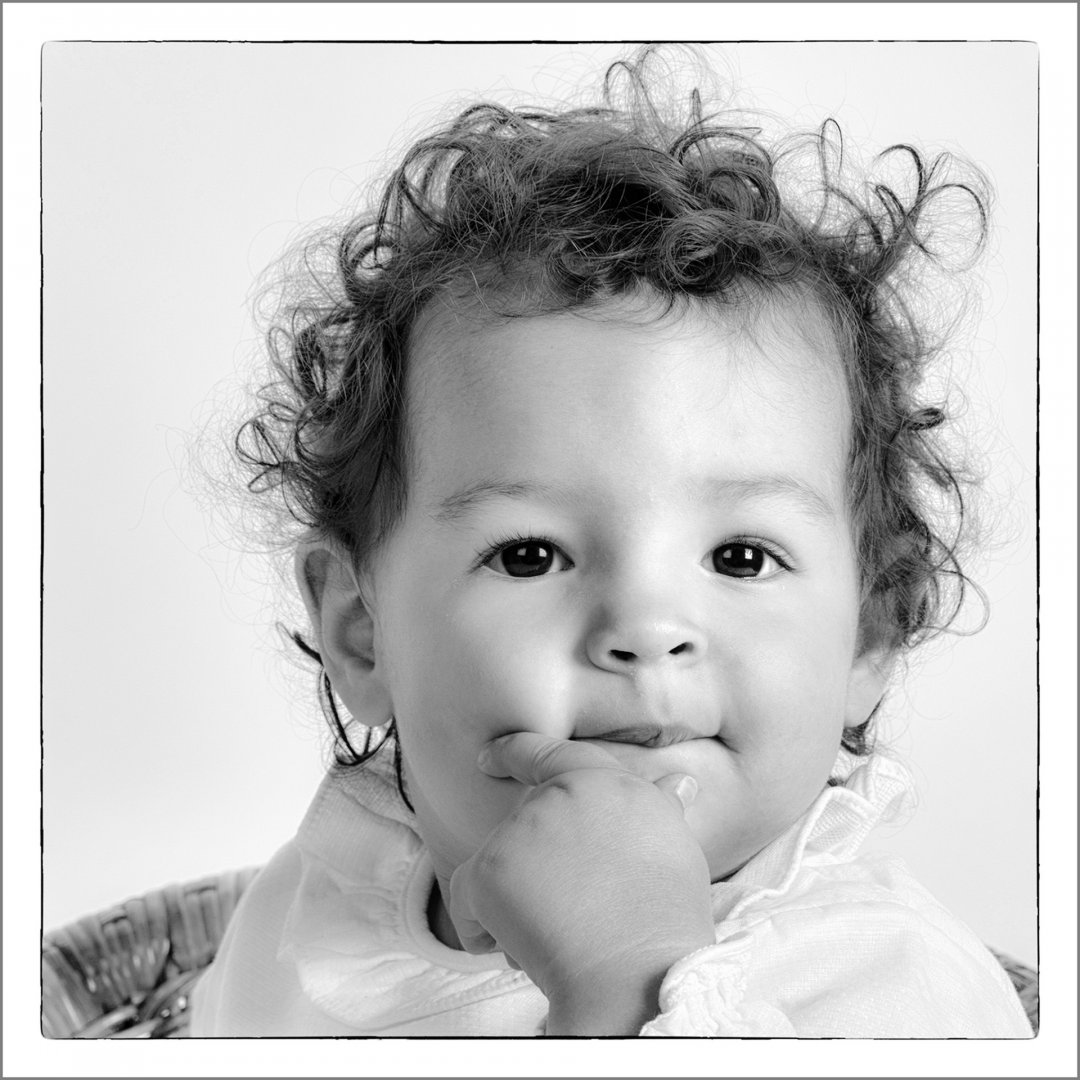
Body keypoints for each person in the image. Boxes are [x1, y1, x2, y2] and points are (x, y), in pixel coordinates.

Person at [191, 48, 1033, 1037]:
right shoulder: (313, 912)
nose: (643, 629)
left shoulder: (890, 990)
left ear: (870, 635)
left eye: (742, 557)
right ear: (362, 632)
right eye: (530, 555)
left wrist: (629, 981)